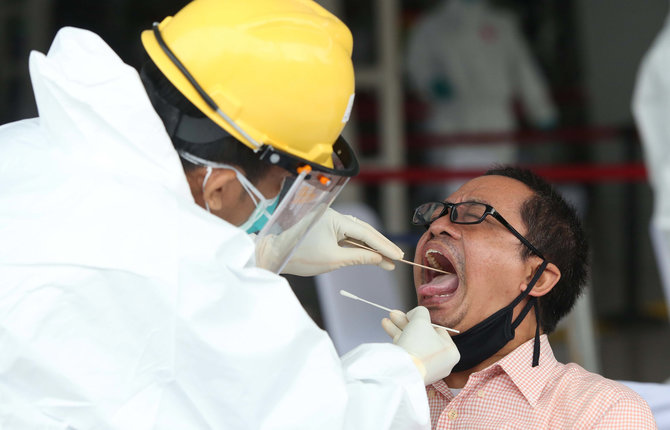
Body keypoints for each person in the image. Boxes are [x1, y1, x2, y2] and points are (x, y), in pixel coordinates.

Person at [0, 0, 460, 428]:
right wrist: (402, 372)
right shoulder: (188, 276)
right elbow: (318, 419)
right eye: (283, 192)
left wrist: (258, 251)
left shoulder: (27, 146)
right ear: (218, 185)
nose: (283, 211)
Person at [382, 166, 657, 428]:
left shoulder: (602, 412)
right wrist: (391, 378)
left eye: (473, 214)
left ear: (537, 277)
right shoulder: (379, 386)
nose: (437, 226)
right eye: (436, 215)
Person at [405, 0, 556, 199]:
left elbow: (523, 68)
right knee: (453, 192)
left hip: (494, 119)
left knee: (497, 188)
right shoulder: (432, 25)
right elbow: (414, 64)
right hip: (451, 118)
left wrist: (541, 110)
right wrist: (430, 84)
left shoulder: (502, 23)